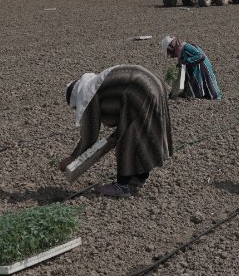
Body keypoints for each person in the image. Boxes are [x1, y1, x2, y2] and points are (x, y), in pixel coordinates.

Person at [58, 65, 174, 198]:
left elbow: (90, 136)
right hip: (154, 83)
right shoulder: (97, 85)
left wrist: (72, 159)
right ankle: (138, 178)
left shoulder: (88, 96)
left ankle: (122, 186)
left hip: (139, 90)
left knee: (127, 137)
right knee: (144, 132)